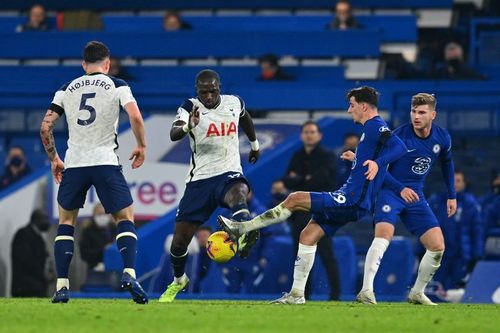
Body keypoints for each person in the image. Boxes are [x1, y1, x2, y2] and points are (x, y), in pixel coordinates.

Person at [219, 86, 407, 304]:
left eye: (352, 105)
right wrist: (357, 159)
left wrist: (377, 162)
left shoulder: (376, 125)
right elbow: (373, 165)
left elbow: (399, 147)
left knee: (295, 198)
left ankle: (243, 227)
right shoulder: (369, 130)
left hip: (353, 199)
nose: (349, 110)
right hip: (351, 196)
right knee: (308, 235)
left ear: (364, 106)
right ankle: (297, 294)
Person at [39, 41, 148, 304]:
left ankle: (62, 286)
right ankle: (129, 273)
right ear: (107, 64)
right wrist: (142, 145)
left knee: (66, 223)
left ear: (83, 65)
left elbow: (45, 127)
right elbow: (135, 117)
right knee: (125, 217)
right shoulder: (117, 84)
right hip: (104, 161)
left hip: (75, 163)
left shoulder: (66, 89)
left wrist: (54, 158)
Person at [158, 69, 260, 302]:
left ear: (219, 88)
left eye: (213, 91)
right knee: (180, 241)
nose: (209, 96)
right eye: (204, 92)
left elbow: (245, 117)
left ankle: (244, 229)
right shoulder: (189, 107)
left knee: (240, 191)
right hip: (200, 180)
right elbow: (174, 134)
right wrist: (189, 126)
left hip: (228, 171)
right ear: (197, 91)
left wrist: (254, 145)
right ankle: (178, 281)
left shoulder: (234, 102)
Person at [356, 93, 457, 305]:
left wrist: (452, 195)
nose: (416, 116)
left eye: (421, 112)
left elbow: (447, 164)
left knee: (437, 245)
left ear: (433, 115)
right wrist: (400, 189)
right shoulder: (398, 136)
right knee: (384, 235)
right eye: (413, 112)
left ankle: (417, 292)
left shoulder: (442, 137)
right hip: (391, 191)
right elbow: (379, 167)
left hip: (416, 195)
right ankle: (366, 290)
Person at [280, 120, 340, 300]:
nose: (309, 135)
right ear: (301, 135)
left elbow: (323, 180)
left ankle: (335, 295)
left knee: (326, 253)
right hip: (300, 212)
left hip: (322, 211)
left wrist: (299, 180)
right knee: (300, 255)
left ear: (319, 135)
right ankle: (303, 293)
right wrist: (306, 179)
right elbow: (286, 181)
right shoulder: (297, 155)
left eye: (312, 132)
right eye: (306, 132)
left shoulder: (328, 155)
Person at [429, 171, 483, 291]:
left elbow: (477, 230)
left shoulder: (471, 203)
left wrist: (477, 255)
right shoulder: (436, 201)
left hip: (461, 255)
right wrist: (419, 251)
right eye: (452, 180)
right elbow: (426, 227)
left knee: (456, 289)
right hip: (439, 253)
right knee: (436, 289)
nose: (455, 184)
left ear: (464, 183)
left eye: (458, 181)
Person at [11, 209, 52, 297]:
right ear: (37, 219)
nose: (48, 222)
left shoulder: (38, 237)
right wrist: (43, 274)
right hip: (25, 289)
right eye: (45, 219)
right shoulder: (23, 234)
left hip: (37, 288)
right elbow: (27, 260)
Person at [79, 203, 116, 271]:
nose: (102, 217)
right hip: (94, 269)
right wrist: (104, 250)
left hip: (114, 268)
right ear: (94, 215)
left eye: (104, 214)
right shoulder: (88, 230)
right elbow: (84, 254)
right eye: (99, 214)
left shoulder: (115, 229)